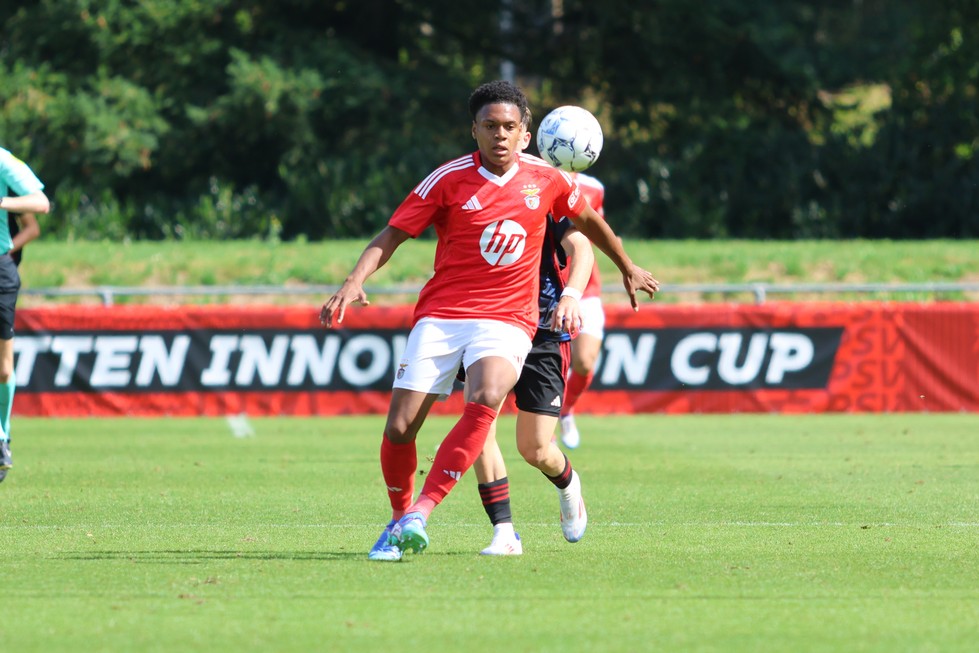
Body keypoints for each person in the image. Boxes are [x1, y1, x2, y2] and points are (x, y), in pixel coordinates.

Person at [320, 80, 659, 561]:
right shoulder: (446, 179)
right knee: (399, 428)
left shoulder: (548, 180)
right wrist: (354, 279)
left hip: (511, 318)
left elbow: (589, 228)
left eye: (510, 127)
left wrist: (626, 267)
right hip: (442, 314)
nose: (500, 135)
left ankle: (424, 513)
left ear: (526, 134)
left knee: (488, 402)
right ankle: (399, 521)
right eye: (490, 126)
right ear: (474, 130)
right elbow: (393, 233)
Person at [472, 212, 594, 556]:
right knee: (478, 428)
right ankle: (504, 532)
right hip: (489, 326)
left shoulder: (544, 194)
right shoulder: (467, 194)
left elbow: (581, 247)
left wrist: (570, 296)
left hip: (544, 333)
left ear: (522, 151)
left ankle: (569, 486)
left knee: (535, 449)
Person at [0, 147, 50, 482]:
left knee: (3, 369)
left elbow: (39, 207)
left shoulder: (3, 162)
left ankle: (2, 435)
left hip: (1, 270)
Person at [558, 172, 607, 449]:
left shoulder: (594, 186)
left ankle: (566, 410)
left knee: (585, 362)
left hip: (586, 287)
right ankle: (542, 426)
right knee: (544, 365)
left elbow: (597, 229)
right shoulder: (533, 179)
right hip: (546, 289)